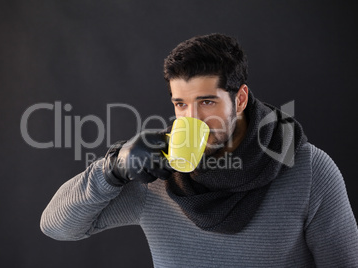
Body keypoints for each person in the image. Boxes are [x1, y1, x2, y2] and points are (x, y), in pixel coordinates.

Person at [40, 33, 358, 267]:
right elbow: (57, 226)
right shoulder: (154, 169)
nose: (192, 118)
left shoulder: (310, 169)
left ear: (241, 99)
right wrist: (113, 167)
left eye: (206, 102)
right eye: (181, 104)